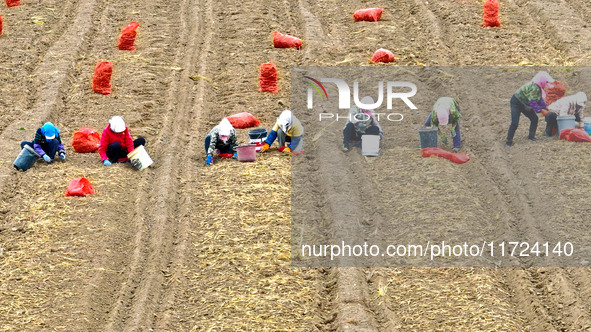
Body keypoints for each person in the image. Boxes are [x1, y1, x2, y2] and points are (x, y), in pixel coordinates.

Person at [505, 71, 554, 147]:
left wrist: (545, 107)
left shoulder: (539, 88)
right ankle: (508, 141)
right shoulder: (534, 88)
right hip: (516, 102)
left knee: (534, 119)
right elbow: (533, 103)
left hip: (526, 104)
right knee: (515, 122)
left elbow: (539, 99)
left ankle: (531, 136)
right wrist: (541, 110)